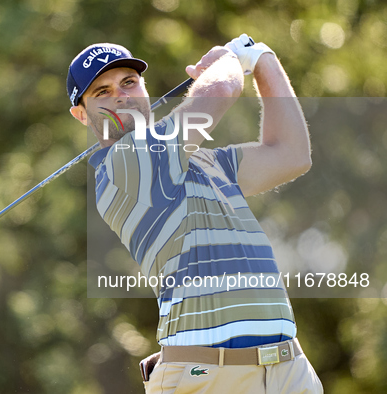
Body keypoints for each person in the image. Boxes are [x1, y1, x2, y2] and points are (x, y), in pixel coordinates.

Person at [67, 37, 323, 393]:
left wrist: (263, 58)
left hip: (287, 368)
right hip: (207, 375)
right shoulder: (122, 165)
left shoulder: (205, 161)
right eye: (102, 92)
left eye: (129, 82)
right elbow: (220, 89)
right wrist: (231, 58)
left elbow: (292, 154)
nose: (121, 95)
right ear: (81, 114)